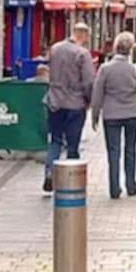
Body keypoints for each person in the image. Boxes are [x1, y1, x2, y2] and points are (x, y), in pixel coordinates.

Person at [90, 32, 136, 199]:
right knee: (130, 149)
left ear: (116, 48)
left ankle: (114, 187)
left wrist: (95, 115)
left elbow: (97, 94)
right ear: (130, 50)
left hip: (111, 115)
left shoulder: (105, 69)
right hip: (133, 114)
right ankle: (131, 185)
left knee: (113, 151)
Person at [42, 23, 95, 193]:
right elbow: (88, 82)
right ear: (84, 35)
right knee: (73, 145)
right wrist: (89, 101)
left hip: (54, 101)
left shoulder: (55, 48)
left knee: (55, 140)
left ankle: (50, 173)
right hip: (75, 103)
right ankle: (70, 182)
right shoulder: (82, 54)